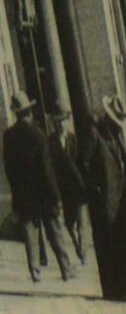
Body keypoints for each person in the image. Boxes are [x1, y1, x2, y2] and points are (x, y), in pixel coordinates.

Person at [4, 98, 73, 282]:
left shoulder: (8, 136)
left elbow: (9, 168)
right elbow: (46, 168)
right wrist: (55, 194)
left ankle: (34, 270)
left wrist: (16, 190)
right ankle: (66, 269)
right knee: (54, 232)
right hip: (43, 193)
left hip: (23, 194)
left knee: (30, 234)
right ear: (28, 112)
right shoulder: (38, 134)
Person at [82, 107, 126, 303]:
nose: (118, 127)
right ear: (108, 119)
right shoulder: (95, 135)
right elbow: (84, 164)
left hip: (122, 200)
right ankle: (117, 289)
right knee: (113, 246)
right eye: (116, 122)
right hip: (107, 201)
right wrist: (97, 190)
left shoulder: (115, 136)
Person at [50, 113, 90, 267]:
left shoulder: (74, 139)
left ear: (67, 121)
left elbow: (81, 162)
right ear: (54, 124)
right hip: (64, 190)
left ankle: (83, 252)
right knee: (68, 223)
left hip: (78, 187)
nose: (60, 125)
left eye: (63, 121)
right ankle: (76, 243)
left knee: (81, 222)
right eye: (57, 122)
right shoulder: (51, 141)